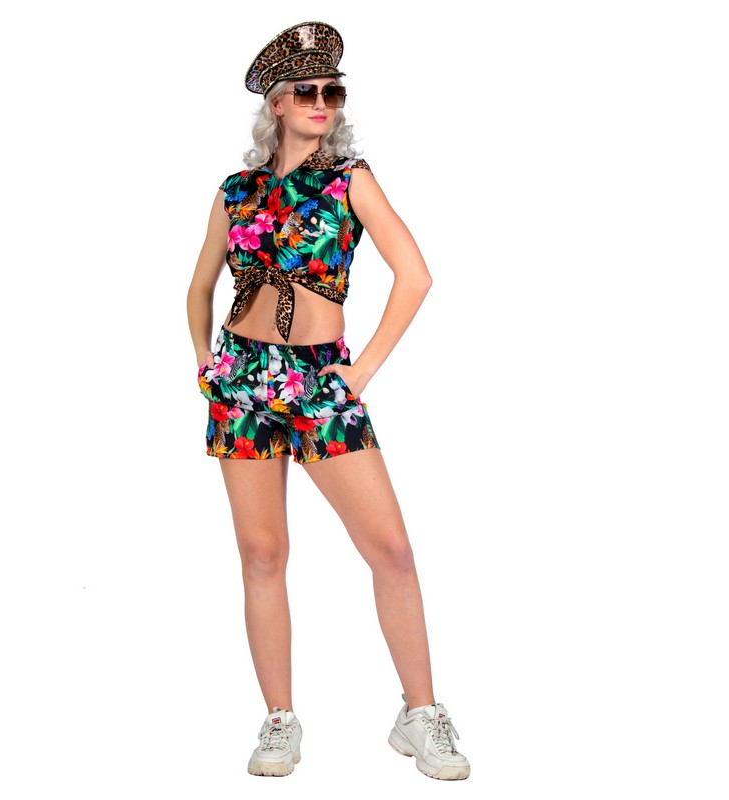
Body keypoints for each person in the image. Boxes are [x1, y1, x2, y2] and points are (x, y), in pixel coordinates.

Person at [186, 21, 470, 781]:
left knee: (391, 549)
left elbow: (416, 275)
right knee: (262, 553)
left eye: (333, 91)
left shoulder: (350, 179)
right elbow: (199, 287)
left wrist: (362, 370)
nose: (322, 102)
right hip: (242, 380)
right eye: (307, 91)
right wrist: (206, 362)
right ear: (277, 103)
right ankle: (280, 719)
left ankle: (420, 713)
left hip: (320, 381)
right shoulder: (237, 191)